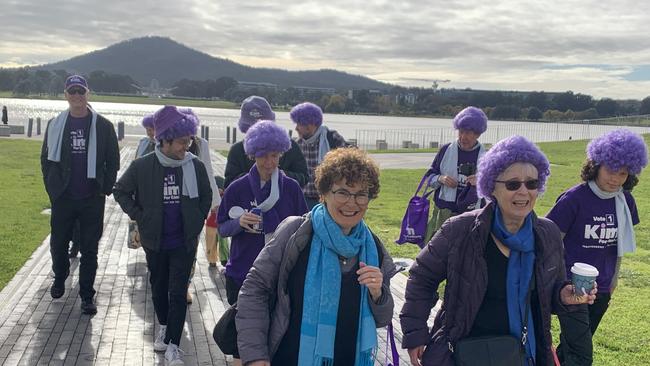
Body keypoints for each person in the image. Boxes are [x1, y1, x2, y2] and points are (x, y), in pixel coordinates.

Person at [400, 135, 597, 366]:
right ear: (492, 186)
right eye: (513, 184)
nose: (524, 192)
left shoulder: (548, 234)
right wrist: (415, 334)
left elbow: (548, 294)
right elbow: (422, 277)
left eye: (531, 183)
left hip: (526, 354)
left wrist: (564, 295)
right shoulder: (460, 230)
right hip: (465, 353)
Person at [235, 147, 396, 366]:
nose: (352, 202)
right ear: (324, 193)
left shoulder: (372, 247)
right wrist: (255, 356)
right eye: (342, 192)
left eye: (361, 194)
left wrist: (378, 294)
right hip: (291, 359)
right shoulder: (296, 234)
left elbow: (383, 318)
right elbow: (254, 290)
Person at [113, 105, 212, 365]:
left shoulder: (195, 166)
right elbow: (120, 191)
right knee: (158, 288)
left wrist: (197, 221)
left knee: (178, 292)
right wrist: (140, 215)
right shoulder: (143, 166)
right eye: (181, 142)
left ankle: (174, 346)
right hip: (154, 241)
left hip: (184, 241)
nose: (186, 147)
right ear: (165, 140)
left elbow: (206, 196)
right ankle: (164, 326)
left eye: (189, 141)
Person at [547, 129, 647, 364]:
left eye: (623, 174)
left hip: (602, 287)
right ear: (596, 165)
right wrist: (554, 280)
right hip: (573, 287)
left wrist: (614, 279)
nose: (615, 179)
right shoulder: (574, 198)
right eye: (611, 170)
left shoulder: (625, 201)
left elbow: (619, 244)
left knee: (576, 343)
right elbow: (550, 240)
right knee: (581, 353)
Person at [40, 75, 120, 315]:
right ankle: (60, 275)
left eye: (80, 91)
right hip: (64, 196)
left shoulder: (103, 126)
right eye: (72, 91)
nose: (77, 96)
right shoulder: (55, 124)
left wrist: (104, 188)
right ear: (65, 95)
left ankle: (87, 294)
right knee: (58, 243)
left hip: (90, 198)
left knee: (90, 249)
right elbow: (46, 160)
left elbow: (112, 160)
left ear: (88, 93)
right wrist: (53, 189)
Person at [218, 120, 308, 307]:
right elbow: (222, 228)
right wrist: (239, 223)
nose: (269, 163)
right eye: (263, 156)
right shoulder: (237, 188)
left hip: (279, 275)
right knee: (241, 333)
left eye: (274, 156)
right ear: (252, 155)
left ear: (281, 154)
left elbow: (304, 230)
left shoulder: (291, 188)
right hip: (242, 271)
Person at [424, 106, 488, 243]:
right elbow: (429, 177)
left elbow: (493, 187)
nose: (463, 137)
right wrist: (441, 178)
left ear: (477, 134)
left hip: (472, 211)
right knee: (439, 248)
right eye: (461, 132)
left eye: (468, 133)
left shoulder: (486, 156)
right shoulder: (446, 150)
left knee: (467, 250)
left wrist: (480, 181)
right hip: (445, 210)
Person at [181, 107, 222, 304]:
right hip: (172, 201)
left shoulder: (200, 144)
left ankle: (185, 285)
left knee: (191, 247)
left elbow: (207, 170)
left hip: (194, 204)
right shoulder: (168, 143)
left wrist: (215, 203)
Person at [224, 95, 308, 188]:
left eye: (263, 126)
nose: (258, 132)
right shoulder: (237, 150)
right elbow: (229, 182)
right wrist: (256, 176)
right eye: (253, 127)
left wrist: (282, 175)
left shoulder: (290, 147)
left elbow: (303, 177)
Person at [291, 101, 349, 208]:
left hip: (328, 199)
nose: (296, 128)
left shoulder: (332, 138)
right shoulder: (296, 144)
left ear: (310, 125)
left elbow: (351, 161)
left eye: (299, 124)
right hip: (304, 199)